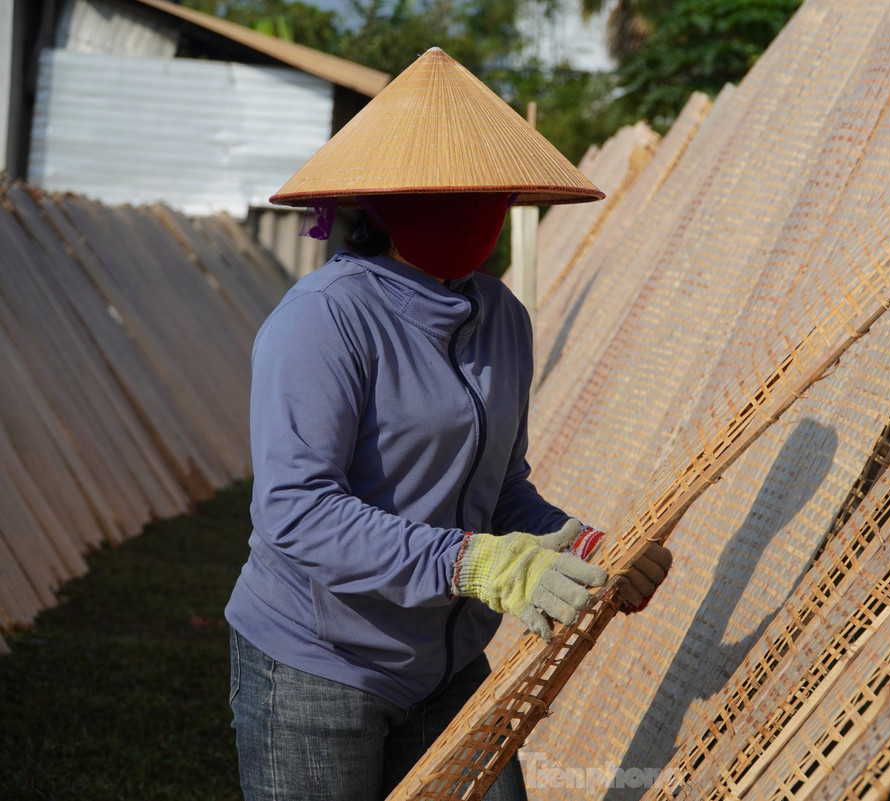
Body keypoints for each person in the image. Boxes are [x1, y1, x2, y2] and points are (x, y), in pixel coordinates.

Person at [224, 48, 672, 801]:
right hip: (317, 663)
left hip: (450, 663)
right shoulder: (325, 319)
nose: (468, 209)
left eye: (484, 190)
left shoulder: (503, 318)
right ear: (385, 202)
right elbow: (294, 508)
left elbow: (499, 493)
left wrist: (592, 548)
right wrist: (475, 565)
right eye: (442, 192)